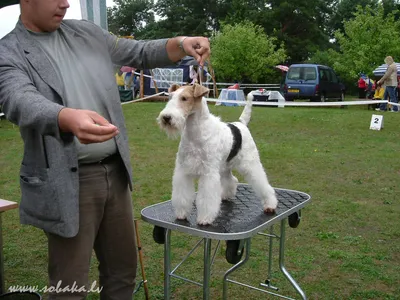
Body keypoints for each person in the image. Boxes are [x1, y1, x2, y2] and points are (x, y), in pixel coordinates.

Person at [0, 0, 210, 299]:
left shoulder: (86, 32)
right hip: (67, 182)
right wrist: (64, 117)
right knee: (69, 287)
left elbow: (138, 52)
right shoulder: (7, 51)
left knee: (122, 273)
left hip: (116, 172)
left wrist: (182, 43)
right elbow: (17, 98)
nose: (65, 3)